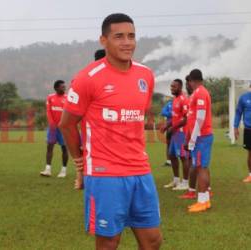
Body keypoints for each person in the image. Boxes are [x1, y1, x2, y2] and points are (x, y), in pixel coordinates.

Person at [59, 13, 162, 250]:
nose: (127, 42)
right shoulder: (87, 78)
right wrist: (80, 164)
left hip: (140, 170)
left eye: (131, 36)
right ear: (103, 41)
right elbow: (66, 124)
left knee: (153, 240)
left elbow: (138, 116)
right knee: (108, 242)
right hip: (105, 173)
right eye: (119, 37)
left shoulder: (145, 75)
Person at [186, 69, 213, 213]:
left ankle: (202, 201)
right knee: (202, 167)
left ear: (191, 80)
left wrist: (193, 138)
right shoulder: (197, 93)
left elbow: (201, 117)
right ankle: (205, 199)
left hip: (201, 137)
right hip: (200, 136)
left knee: (201, 168)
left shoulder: (201, 92)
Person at [162, 79, 189, 190]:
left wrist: (173, 127)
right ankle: (176, 180)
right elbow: (174, 117)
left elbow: (186, 118)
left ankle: (186, 182)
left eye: (174, 87)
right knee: (172, 155)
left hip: (182, 133)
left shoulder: (183, 99)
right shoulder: (175, 100)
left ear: (180, 87)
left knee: (183, 157)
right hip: (175, 132)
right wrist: (167, 125)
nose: (172, 88)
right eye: (171, 86)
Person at [40, 80, 68, 178]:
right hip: (53, 128)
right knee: (50, 146)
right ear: (56, 88)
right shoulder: (50, 97)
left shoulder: (68, 98)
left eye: (64, 87)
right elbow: (48, 111)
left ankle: (63, 170)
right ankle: (47, 169)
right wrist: (52, 123)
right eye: (62, 87)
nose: (64, 88)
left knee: (64, 148)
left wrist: (64, 124)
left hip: (64, 128)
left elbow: (69, 113)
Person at [234, 84, 251, 183]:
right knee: (250, 153)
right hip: (249, 130)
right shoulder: (244, 98)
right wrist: (235, 127)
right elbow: (238, 112)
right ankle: (250, 175)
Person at [160, 98, 172, 167]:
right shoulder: (169, 104)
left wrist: (170, 114)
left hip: (178, 126)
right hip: (168, 126)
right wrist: (170, 113)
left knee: (179, 145)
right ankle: (168, 161)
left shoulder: (181, 101)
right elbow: (163, 112)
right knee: (168, 143)